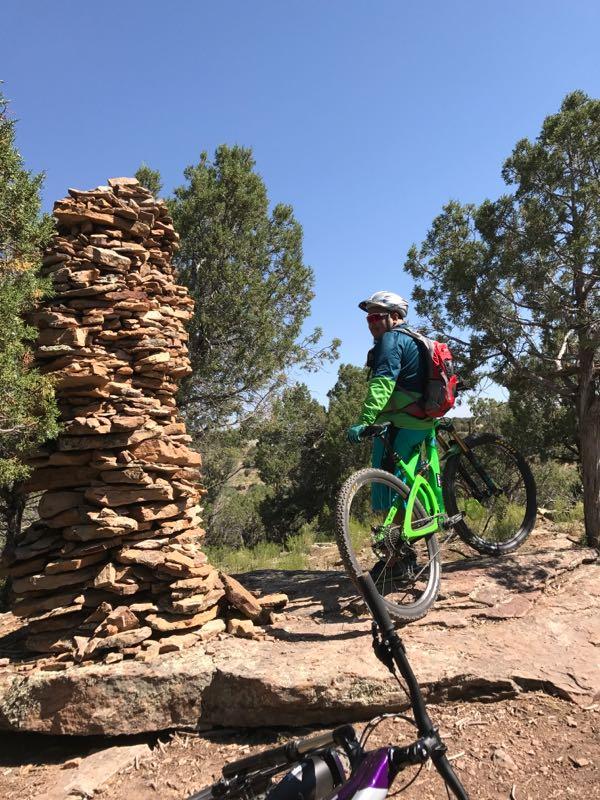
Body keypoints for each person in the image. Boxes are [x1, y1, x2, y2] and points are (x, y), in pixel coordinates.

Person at [346, 291, 435, 492]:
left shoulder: (391, 339)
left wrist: (364, 421)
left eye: (377, 317)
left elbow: (382, 384)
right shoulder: (414, 338)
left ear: (395, 316)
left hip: (400, 423)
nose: (371, 323)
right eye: (369, 318)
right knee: (406, 481)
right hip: (419, 421)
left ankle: (402, 523)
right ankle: (421, 518)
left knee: (389, 488)